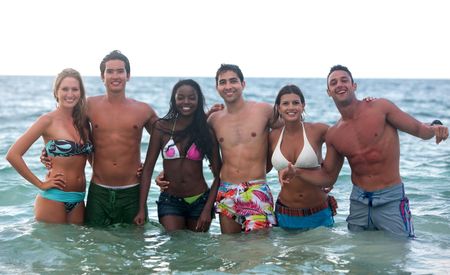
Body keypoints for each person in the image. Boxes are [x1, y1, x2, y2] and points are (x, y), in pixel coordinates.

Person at [280, 65, 449, 237]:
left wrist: (435, 127)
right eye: (333, 82)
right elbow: (328, 176)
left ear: (354, 86)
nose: (339, 84)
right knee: (357, 257)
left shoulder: (381, 108)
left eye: (344, 80)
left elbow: (419, 130)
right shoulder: (335, 133)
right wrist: (297, 172)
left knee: (400, 252)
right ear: (328, 92)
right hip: (358, 202)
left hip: (391, 199)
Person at [42, 50, 158, 226]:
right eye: (110, 71)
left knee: (134, 248)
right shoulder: (89, 106)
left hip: (132, 192)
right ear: (102, 76)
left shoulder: (144, 110)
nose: (115, 76)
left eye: (120, 71)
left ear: (128, 75)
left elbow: (167, 141)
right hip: (99, 192)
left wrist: (158, 170)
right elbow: (70, 133)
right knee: (95, 247)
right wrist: (49, 150)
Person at [6, 68, 92, 224]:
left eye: (75, 89)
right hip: (53, 198)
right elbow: (13, 154)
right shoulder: (47, 120)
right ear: (56, 92)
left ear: (81, 92)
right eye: (65, 89)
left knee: (75, 249)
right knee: (52, 248)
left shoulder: (84, 123)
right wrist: (41, 184)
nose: (70, 94)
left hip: (79, 199)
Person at [134, 79, 221, 232]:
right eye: (180, 97)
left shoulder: (205, 131)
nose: (186, 102)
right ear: (174, 100)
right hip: (170, 201)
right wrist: (141, 208)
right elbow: (147, 170)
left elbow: (218, 174)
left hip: (200, 201)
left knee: (197, 251)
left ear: (198, 100)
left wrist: (208, 209)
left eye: (192, 97)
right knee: (174, 246)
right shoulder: (161, 127)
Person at [209, 64, 279, 233]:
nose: (228, 86)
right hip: (226, 190)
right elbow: (197, 148)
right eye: (222, 82)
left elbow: (292, 133)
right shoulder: (214, 119)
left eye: (233, 81)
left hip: (256, 188)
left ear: (243, 84)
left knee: (257, 252)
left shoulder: (264, 111)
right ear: (217, 87)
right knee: (229, 249)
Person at [268, 84, 337, 230]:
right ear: (278, 108)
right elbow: (260, 166)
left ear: (303, 105)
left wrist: (331, 173)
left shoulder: (318, 130)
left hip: (319, 213)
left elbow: (345, 140)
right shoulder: (273, 136)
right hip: (285, 214)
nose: (291, 107)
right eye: (285, 103)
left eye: (296, 103)